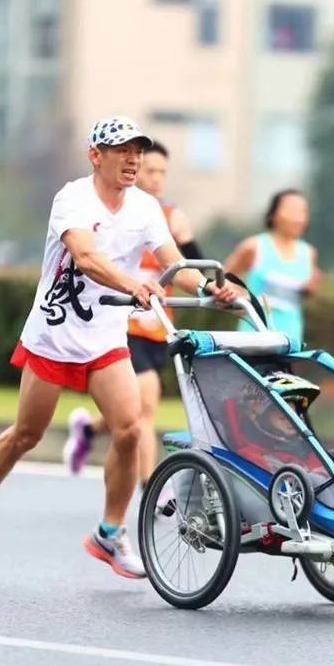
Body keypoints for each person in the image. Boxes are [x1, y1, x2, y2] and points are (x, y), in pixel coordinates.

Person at [0, 115, 238, 578]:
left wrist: (211, 289)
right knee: (27, 434)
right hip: (54, 334)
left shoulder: (145, 208)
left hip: (105, 338)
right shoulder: (72, 198)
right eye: (123, 151)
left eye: (138, 151)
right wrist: (133, 284)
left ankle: (109, 533)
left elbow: (174, 265)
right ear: (96, 156)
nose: (133, 160)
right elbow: (86, 258)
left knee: (129, 429)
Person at [63, 140, 204, 484]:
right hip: (121, 324)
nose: (155, 178)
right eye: (149, 170)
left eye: (162, 172)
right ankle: (150, 489)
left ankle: (88, 430)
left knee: (132, 412)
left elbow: (191, 270)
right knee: (147, 405)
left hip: (157, 325)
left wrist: (187, 241)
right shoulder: (107, 213)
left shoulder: (168, 218)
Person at [223, 189, 322, 345]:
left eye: (303, 212)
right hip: (253, 336)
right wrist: (237, 299)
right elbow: (224, 278)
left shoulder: (309, 253)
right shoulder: (254, 247)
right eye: (292, 211)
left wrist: (309, 289)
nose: (299, 218)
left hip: (290, 337)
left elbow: (305, 293)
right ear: (273, 214)